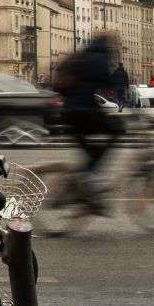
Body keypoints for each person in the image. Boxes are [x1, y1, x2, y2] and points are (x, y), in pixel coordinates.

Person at [54, 32, 124, 210]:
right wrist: (124, 102)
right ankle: (88, 180)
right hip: (83, 113)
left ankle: (86, 183)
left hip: (70, 113)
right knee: (117, 130)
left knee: (91, 153)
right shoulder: (100, 58)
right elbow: (107, 83)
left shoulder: (83, 55)